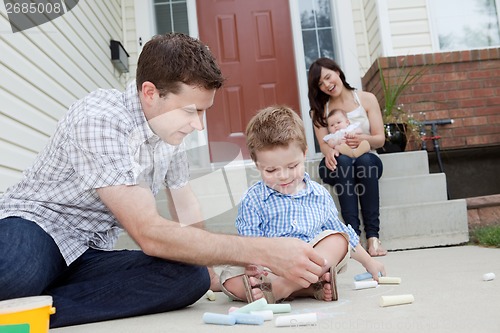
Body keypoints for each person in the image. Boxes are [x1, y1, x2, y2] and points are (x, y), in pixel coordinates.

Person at [0, 33, 327, 328]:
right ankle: (24, 299)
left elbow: (185, 204)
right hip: (36, 228)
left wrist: (210, 270)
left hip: (87, 254)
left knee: (189, 277)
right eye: (190, 111)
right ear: (150, 93)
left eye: (203, 112)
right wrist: (264, 252)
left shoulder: (168, 133)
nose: (198, 126)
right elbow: (149, 233)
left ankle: (31, 313)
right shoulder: (100, 119)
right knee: (17, 271)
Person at [219, 106, 385, 303]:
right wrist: (255, 267)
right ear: (257, 164)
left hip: (312, 260)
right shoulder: (254, 199)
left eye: (292, 166)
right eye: (271, 170)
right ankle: (305, 288)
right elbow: (251, 244)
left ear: (304, 153)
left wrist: (369, 262)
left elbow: (345, 235)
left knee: (338, 239)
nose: (284, 176)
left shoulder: (319, 194)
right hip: (272, 266)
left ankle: (284, 288)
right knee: (229, 278)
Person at [307, 57, 388, 257]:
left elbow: (380, 139)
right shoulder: (319, 111)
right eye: (320, 83)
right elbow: (326, 147)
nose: (327, 84)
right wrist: (333, 150)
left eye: (328, 77)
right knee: (343, 162)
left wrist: (363, 138)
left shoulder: (367, 99)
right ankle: (353, 238)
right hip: (337, 162)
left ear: (337, 71)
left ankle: (373, 238)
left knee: (365, 162)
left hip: (365, 156)